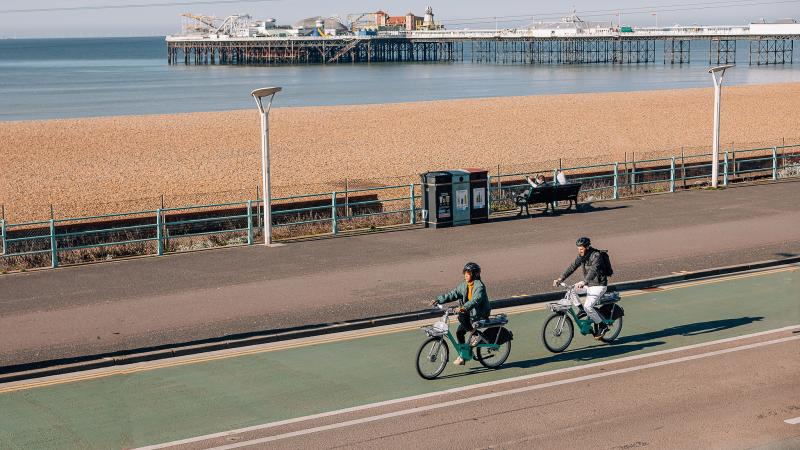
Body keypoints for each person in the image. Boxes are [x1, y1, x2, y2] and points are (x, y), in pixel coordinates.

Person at [430, 262, 491, 365]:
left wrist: (463, 308)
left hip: (479, 313)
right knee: (459, 332)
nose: (465, 275)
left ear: (475, 274)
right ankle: (463, 355)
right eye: (465, 272)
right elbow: (453, 294)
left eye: (468, 273)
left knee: (461, 316)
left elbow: (475, 301)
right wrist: (439, 300)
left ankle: (476, 335)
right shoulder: (464, 285)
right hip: (470, 313)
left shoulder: (479, 287)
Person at [553, 237, 609, 339]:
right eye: (578, 249)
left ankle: (603, 325)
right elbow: (572, 267)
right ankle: (581, 309)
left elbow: (594, 270)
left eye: (581, 249)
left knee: (588, 306)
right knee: (571, 290)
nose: (579, 251)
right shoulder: (581, 256)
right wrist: (560, 279)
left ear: (587, 247)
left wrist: (584, 281)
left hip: (598, 285)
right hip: (588, 284)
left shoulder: (596, 256)